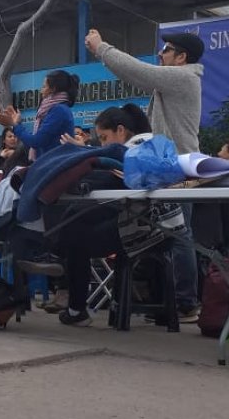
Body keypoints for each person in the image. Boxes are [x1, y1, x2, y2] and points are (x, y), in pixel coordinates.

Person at [86, 29, 204, 320]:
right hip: (165, 168)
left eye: (166, 49)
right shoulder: (174, 83)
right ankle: (165, 299)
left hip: (178, 169)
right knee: (162, 235)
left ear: (181, 57)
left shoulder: (185, 77)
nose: (160, 54)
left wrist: (102, 48)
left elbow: (138, 72)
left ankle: (185, 302)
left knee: (178, 234)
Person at [53, 103, 155, 326]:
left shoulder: (138, 148)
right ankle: (59, 259)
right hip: (136, 222)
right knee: (75, 223)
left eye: (104, 137)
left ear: (121, 130)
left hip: (144, 228)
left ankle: (74, 304)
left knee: (74, 236)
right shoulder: (139, 147)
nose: (103, 144)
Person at [0, 70, 80, 160]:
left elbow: (36, 141)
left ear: (53, 89)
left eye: (44, 86)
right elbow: (38, 138)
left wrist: (14, 125)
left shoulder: (59, 110)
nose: (41, 90)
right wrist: (17, 124)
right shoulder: (57, 109)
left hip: (55, 167)